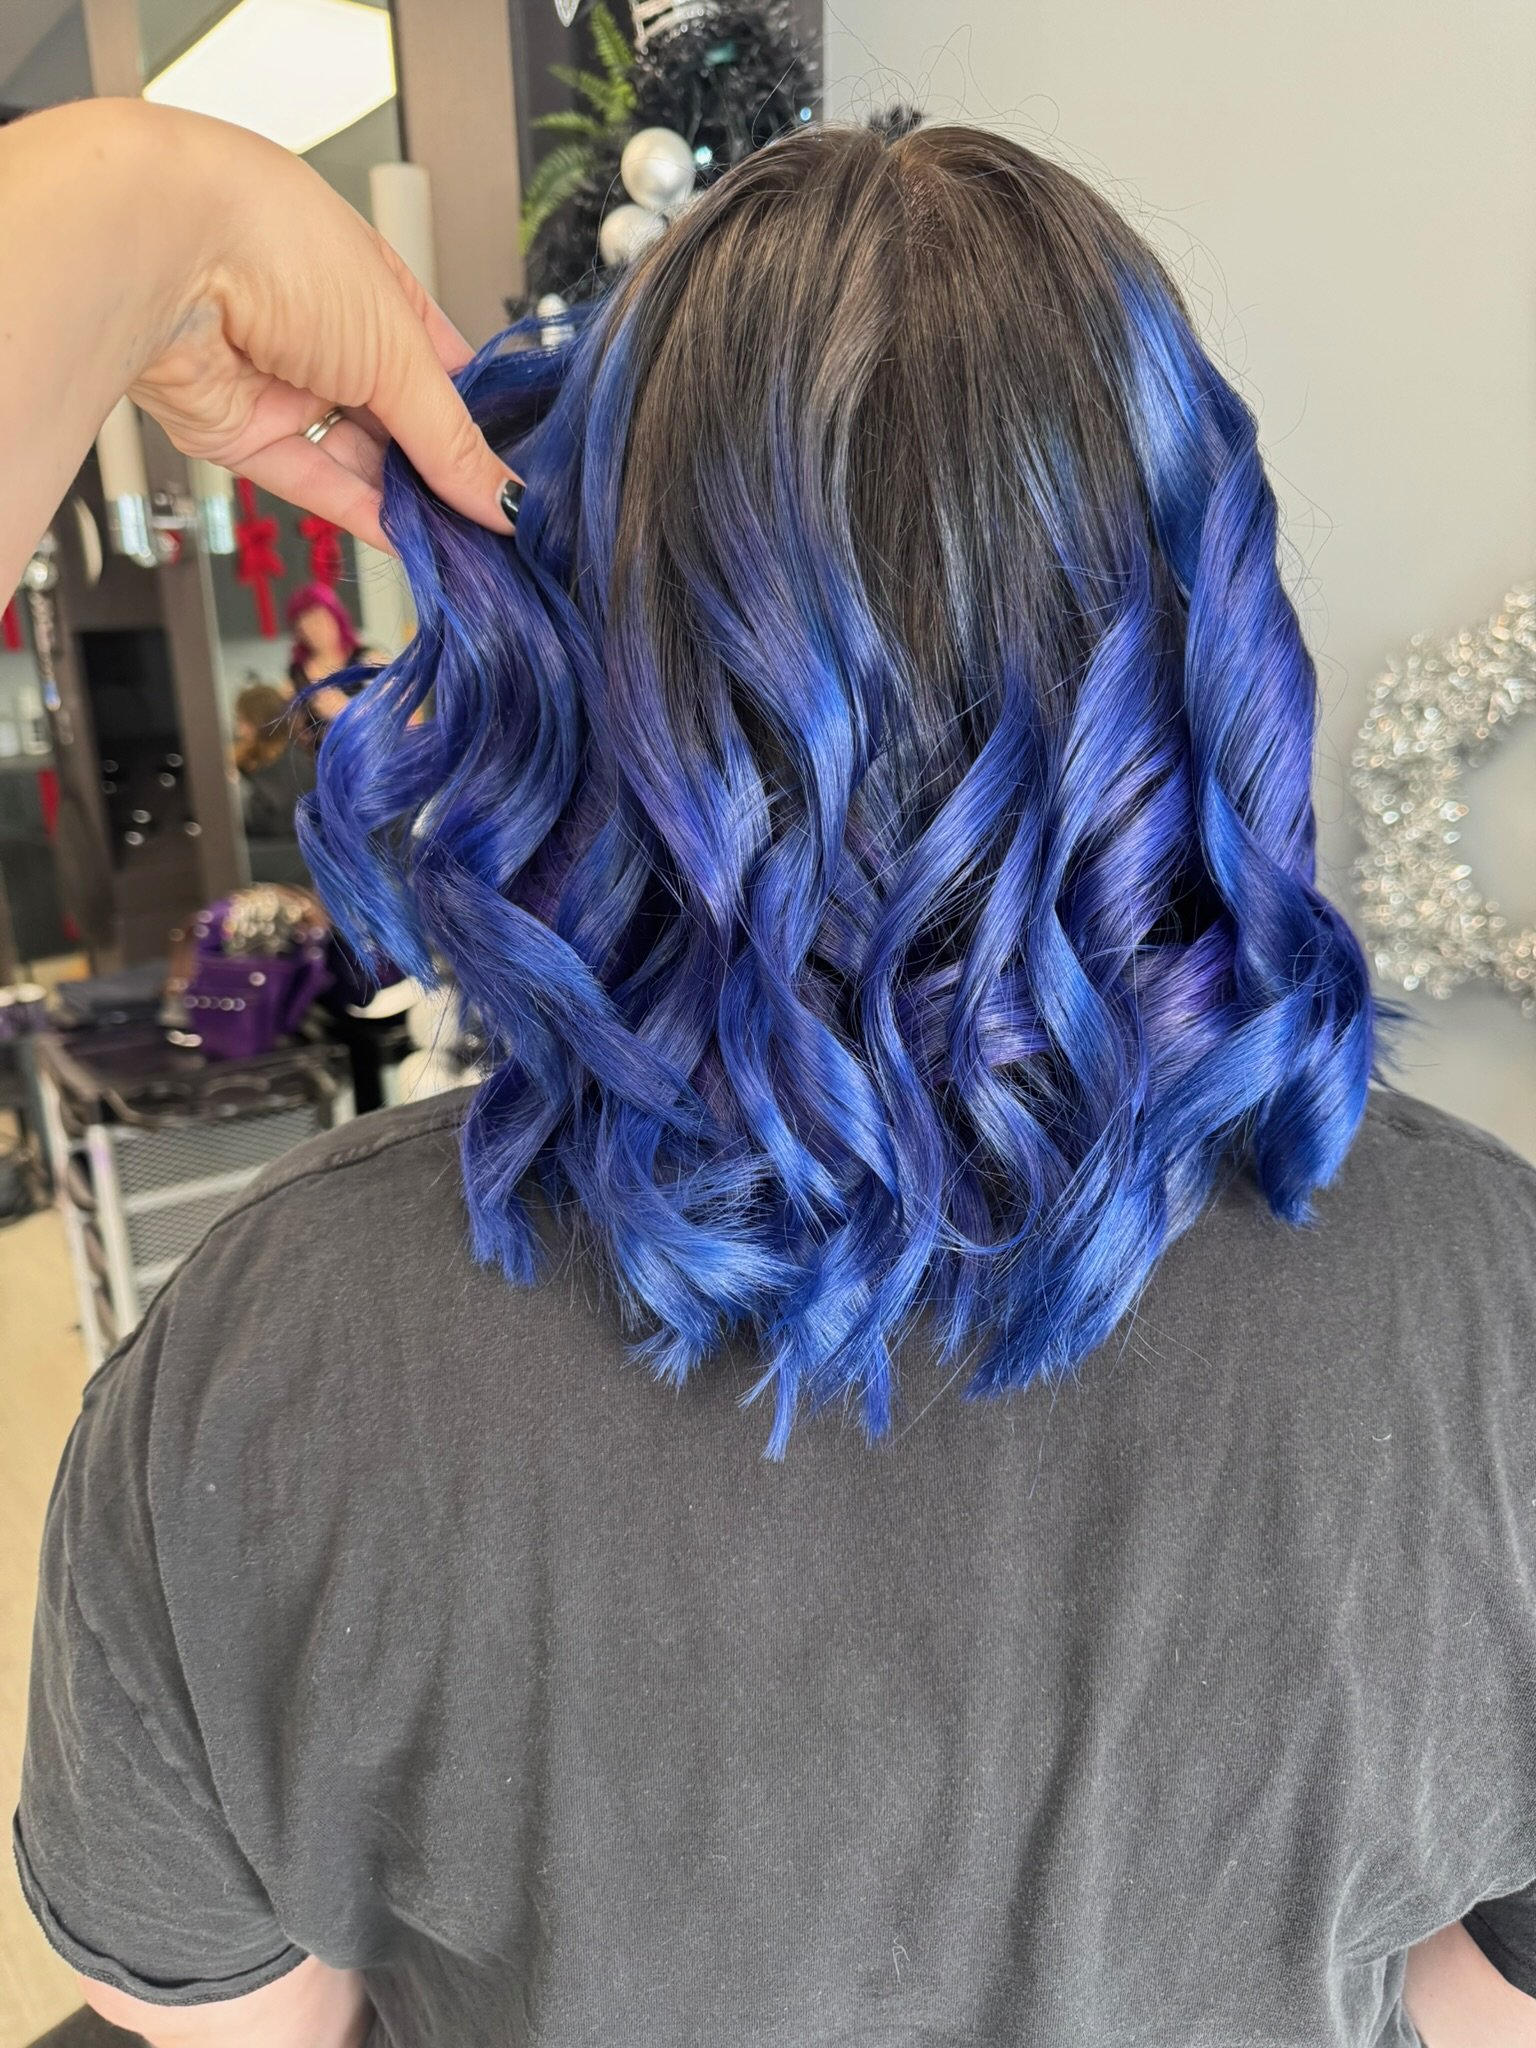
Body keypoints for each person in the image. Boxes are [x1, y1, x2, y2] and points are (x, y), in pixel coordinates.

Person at [2, 96, 1534, 2048]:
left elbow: (247, 2035)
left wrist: (130, 206)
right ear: (1209, 631)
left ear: (582, 651)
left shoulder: (266, 1362)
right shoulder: (1492, 1311)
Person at [283, 581, 385, 733]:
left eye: (318, 620)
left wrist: (346, 711)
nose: (312, 630)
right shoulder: (296, 677)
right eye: (304, 625)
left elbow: (405, 720)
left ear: (336, 618)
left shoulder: (371, 661)